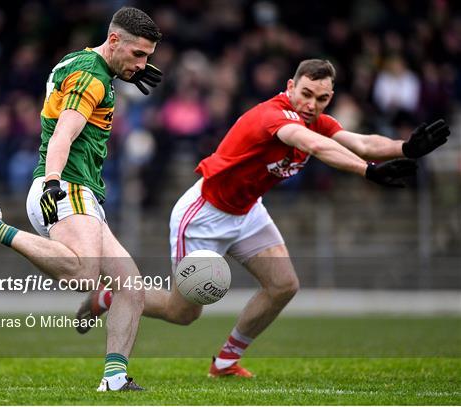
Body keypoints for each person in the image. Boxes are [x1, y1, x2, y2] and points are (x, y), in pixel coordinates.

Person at [75, 59, 450, 377]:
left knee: (284, 285)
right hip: (204, 214)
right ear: (290, 86)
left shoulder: (316, 118)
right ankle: (111, 296)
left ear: (329, 97)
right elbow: (314, 146)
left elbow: (362, 142)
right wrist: (367, 172)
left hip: (247, 211)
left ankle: (225, 361)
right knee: (183, 312)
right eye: (305, 93)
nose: (311, 104)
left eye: (321, 98)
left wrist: (406, 148)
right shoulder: (273, 115)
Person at [0, 7, 163, 391]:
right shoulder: (91, 78)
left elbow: (64, 86)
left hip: (76, 189)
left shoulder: (82, 61)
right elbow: (63, 135)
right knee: (84, 273)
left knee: (130, 285)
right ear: (114, 40)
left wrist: (125, 71)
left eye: (148, 56)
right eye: (138, 54)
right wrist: (54, 180)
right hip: (67, 185)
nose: (143, 64)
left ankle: (114, 378)